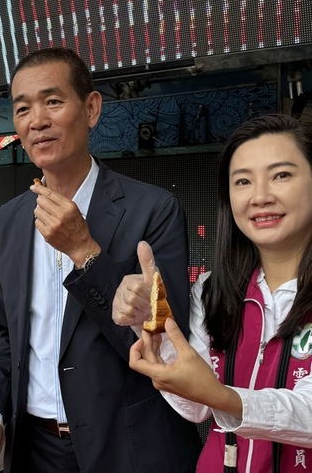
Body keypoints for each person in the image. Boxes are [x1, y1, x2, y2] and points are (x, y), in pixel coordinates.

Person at [0, 47, 202, 473]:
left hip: (129, 444)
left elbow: (168, 348)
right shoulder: (11, 220)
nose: (37, 120)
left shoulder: (154, 210)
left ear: (91, 109)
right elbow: (5, 337)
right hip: (34, 448)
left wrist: (85, 252)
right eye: (23, 109)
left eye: (53, 101)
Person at [113, 113, 312, 471]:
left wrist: (223, 397)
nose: (260, 196)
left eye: (281, 175)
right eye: (242, 182)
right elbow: (197, 407)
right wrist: (152, 323)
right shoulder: (213, 288)